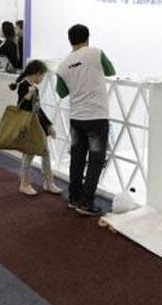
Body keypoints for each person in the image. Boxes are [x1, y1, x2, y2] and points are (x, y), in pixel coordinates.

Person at [56, 24, 116, 216]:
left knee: (77, 159)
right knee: (96, 161)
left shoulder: (63, 65)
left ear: (69, 40)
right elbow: (111, 71)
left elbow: (61, 92)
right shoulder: (96, 53)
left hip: (76, 118)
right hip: (96, 116)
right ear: (88, 37)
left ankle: (74, 198)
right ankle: (86, 203)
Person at [11, 60, 62, 196]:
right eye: (42, 76)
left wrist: (49, 124)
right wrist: (29, 95)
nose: (42, 79)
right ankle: (24, 184)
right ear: (37, 73)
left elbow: (38, 109)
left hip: (36, 125)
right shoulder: (24, 86)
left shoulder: (34, 88)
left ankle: (48, 182)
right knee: (29, 155)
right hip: (28, 126)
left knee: (44, 153)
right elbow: (21, 107)